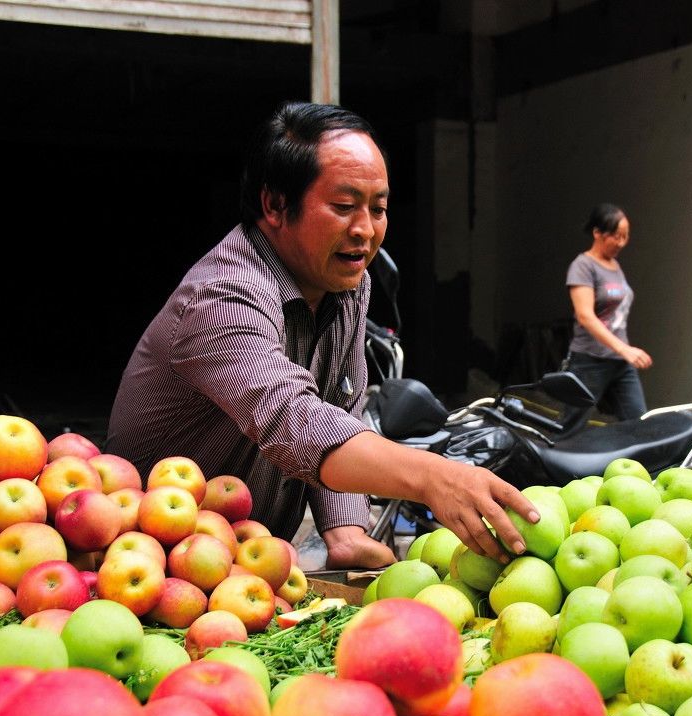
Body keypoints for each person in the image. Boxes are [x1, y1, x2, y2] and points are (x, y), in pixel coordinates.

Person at [106, 102, 536, 570]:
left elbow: (342, 403)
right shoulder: (221, 298)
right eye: (345, 207)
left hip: (251, 565)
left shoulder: (348, 284)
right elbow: (292, 418)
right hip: (152, 564)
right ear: (275, 205)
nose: (366, 231)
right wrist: (433, 477)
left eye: (379, 209)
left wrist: (345, 527)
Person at [563, 203, 651, 426]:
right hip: (590, 361)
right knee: (570, 428)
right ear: (597, 233)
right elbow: (585, 316)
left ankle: (635, 462)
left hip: (620, 363)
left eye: (625, 236)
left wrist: (623, 351)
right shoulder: (582, 266)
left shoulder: (614, 266)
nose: (621, 242)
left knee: (637, 423)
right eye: (616, 236)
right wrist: (624, 349)